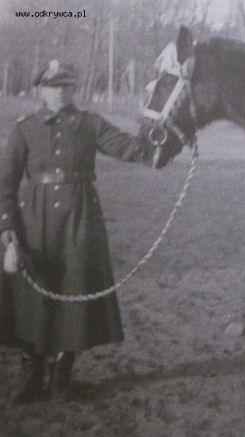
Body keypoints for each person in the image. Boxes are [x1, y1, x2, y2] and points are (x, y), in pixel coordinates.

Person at [0, 60, 161, 403]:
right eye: (52, 86)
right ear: (41, 90)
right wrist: (7, 226)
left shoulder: (91, 124)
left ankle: (62, 378)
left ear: (73, 89)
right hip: (35, 223)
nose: (60, 92)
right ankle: (31, 376)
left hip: (81, 221)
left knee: (76, 290)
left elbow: (132, 149)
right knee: (31, 297)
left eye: (66, 85)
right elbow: (6, 182)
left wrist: (159, 134)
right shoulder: (25, 128)